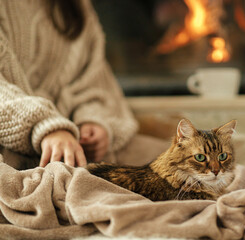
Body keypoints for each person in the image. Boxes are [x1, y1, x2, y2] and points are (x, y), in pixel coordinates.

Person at [0, 0, 168, 170]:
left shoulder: (78, 6)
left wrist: (93, 120)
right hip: (13, 146)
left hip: (76, 144)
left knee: (175, 160)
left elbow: (92, 79)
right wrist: (46, 126)